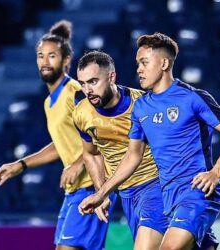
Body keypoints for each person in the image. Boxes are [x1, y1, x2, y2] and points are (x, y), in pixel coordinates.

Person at [78, 33, 220, 250]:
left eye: (144, 62)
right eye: (138, 63)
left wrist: (216, 172)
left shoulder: (192, 97)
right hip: (169, 195)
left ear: (163, 63)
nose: (139, 69)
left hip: (197, 191)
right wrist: (101, 193)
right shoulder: (141, 108)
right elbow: (133, 156)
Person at [0, 20, 116, 250]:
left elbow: (101, 132)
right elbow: (62, 144)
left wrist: (79, 163)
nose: (44, 62)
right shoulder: (50, 102)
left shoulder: (76, 93)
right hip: (73, 191)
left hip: (92, 186)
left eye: (52, 56)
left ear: (66, 60)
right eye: (40, 56)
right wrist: (21, 165)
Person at [72, 50, 168, 250]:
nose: (87, 90)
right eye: (82, 83)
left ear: (112, 77)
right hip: (127, 195)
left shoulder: (145, 106)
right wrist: (103, 193)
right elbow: (91, 154)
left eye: (93, 81)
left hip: (157, 186)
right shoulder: (82, 113)